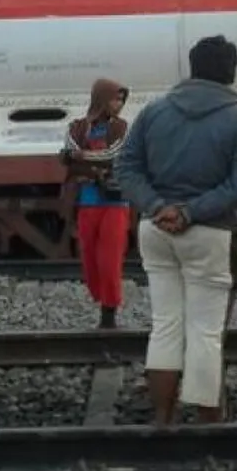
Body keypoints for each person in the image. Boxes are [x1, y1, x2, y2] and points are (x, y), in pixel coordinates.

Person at [114, 34, 237, 426]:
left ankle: (163, 417)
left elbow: (126, 168)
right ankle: (207, 421)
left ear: (192, 67)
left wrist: (157, 207)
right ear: (231, 72)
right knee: (205, 332)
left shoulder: (153, 113)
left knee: (165, 326)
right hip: (211, 233)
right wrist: (190, 212)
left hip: (155, 231)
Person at [61, 78, 131, 329]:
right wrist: (94, 166)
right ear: (102, 99)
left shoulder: (122, 128)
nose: (119, 104)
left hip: (115, 202)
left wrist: (83, 160)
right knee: (89, 258)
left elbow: (115, 154)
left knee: (109, 260)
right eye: (115, 98)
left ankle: (109, 314)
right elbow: (67, 153)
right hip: (87, 202)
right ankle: (102, 300)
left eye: (122, 99)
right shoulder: (77, 127)